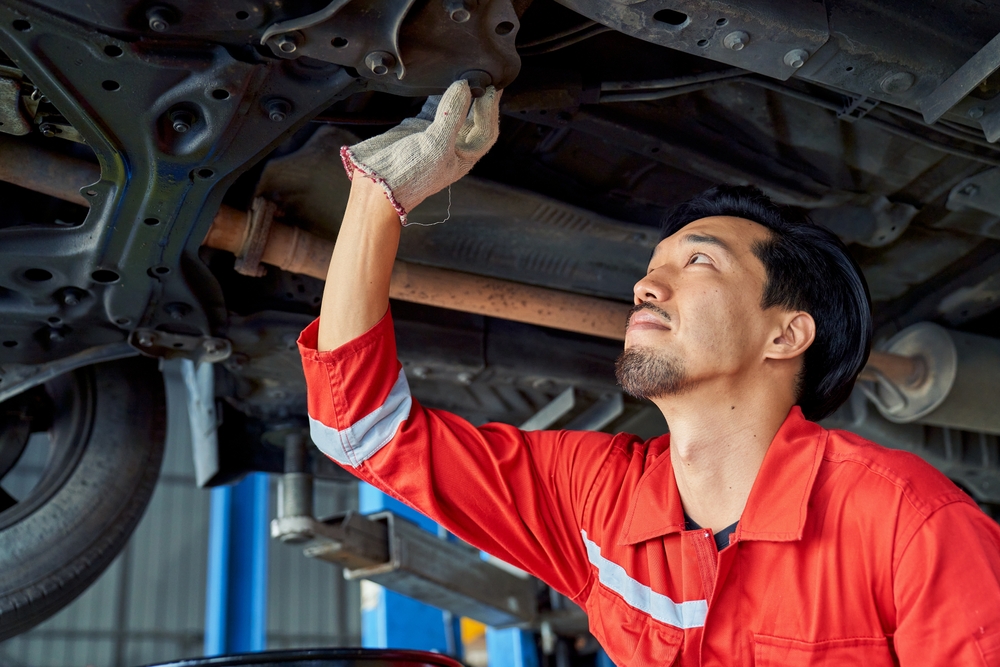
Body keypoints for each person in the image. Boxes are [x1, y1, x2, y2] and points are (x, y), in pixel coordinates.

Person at [298, 80, 1000, 666]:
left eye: (697, 261)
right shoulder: (596, 502)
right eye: (649, 268)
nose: (645, 286)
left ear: (785, 334)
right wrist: (377, 197)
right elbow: (360, 431)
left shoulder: (909, 524)